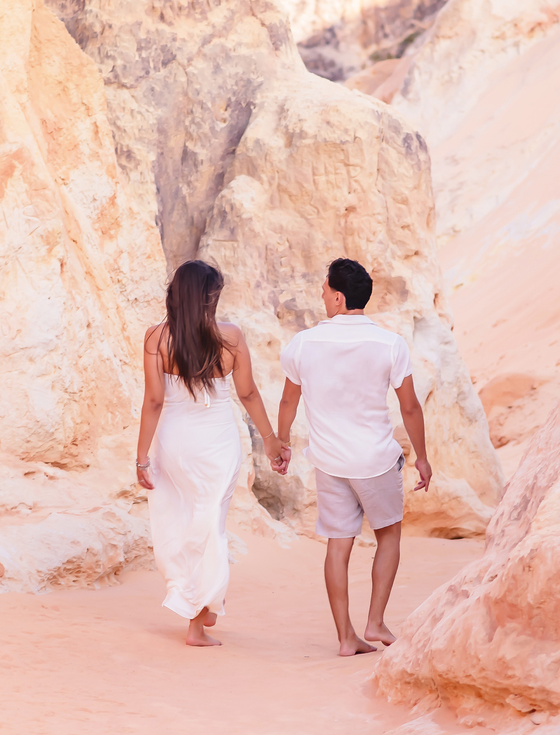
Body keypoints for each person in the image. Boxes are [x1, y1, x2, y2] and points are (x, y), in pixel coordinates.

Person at [275, 258, 433, 656]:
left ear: (339, 297)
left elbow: (288, 400)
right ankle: (375, 621)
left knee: (338, 543)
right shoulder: (389, 344)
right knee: (389, 536)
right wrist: (423, 457)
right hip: (375, 460)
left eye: (326, 290)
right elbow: (410, 408)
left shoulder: (304, 344)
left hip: (329, 462)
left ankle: (346, 637)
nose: (322, 295)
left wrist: (282, 443)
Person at [135, 260, 289, 647]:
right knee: (209, 523)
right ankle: (201, 611)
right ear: (209, 297)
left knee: (183, 519)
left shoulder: (156, 339)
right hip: (219, 443)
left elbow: (153, 401)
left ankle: (201, 607)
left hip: (175, 442)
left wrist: (142, 457)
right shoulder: (230, 338)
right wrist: (270, 440)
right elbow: (249, 393)